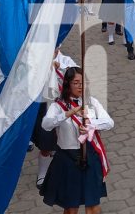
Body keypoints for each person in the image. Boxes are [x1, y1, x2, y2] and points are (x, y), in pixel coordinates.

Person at [41, 66, 113, 214]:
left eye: (83, 82)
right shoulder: (57, 106)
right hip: (67, 159)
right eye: (76, 82)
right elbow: (46, 125)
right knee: (71, 207)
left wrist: (91, 125)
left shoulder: (91, 102)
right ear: (67, 84)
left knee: (92, 204)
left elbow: (109, 122)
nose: (81, 86)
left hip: (90, 156)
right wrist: (68, 113)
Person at [33, 48, 78, 190]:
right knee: (46, 142)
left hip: (65, 108)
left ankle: (67, 170)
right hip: (46, 107)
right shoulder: (36, 60)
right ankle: (43, 173)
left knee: (67, 140)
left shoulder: (66, 60)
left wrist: (61, 68)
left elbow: (76, 76)